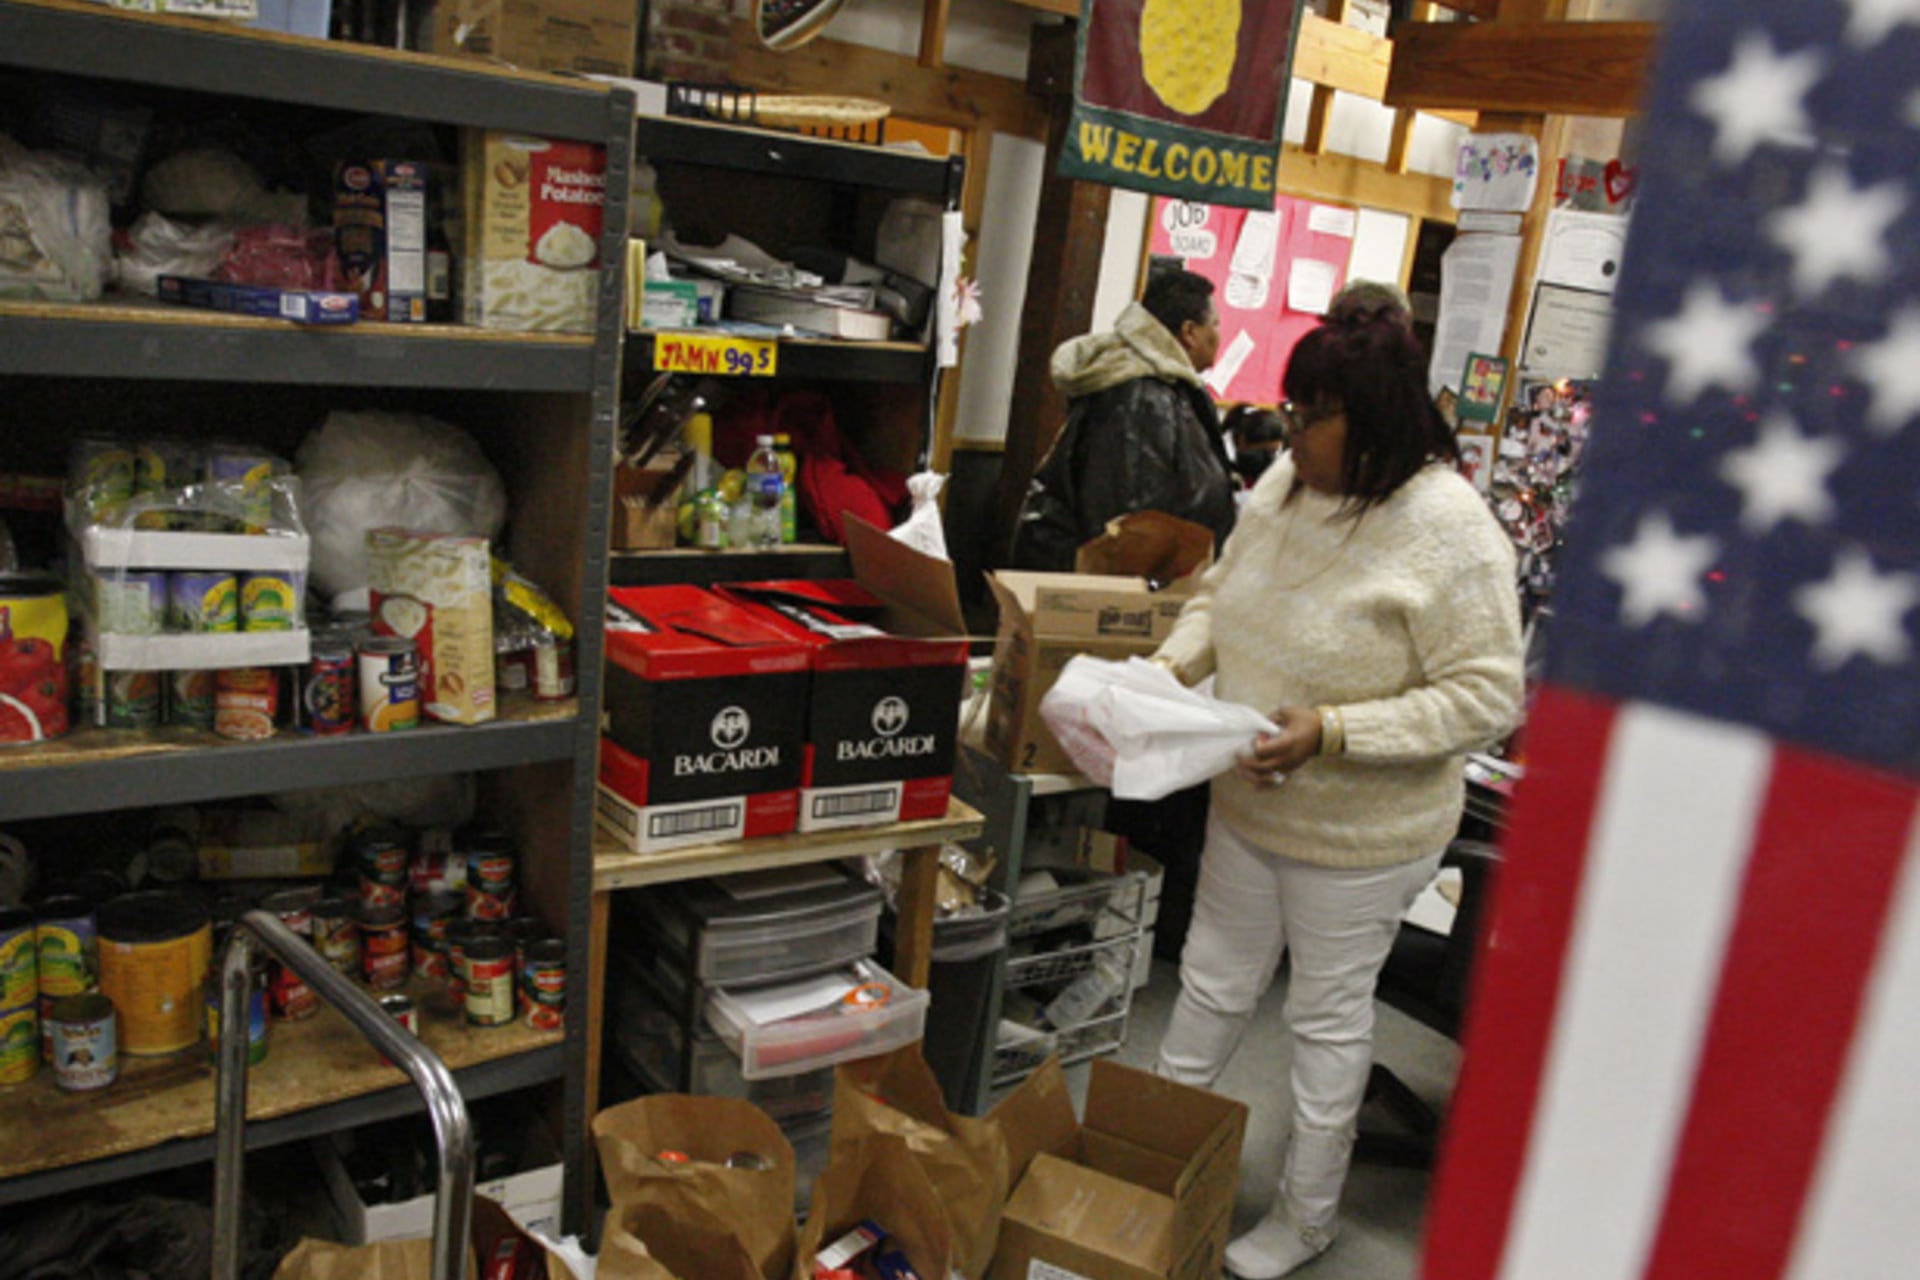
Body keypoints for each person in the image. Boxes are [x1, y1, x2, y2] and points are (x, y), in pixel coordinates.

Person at [1147, 309, 1524, 1279]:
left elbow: (1487, 696)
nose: (1291, 430)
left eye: (1313, 415)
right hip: (1249, 801)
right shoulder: (1286, 481)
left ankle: (1308, 1215)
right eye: (1290, 406)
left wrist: (1336, 729)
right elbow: (1218, 596)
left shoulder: (1452, 530)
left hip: (1360, 836)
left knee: (1324, 1019)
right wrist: (1169, 669)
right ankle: (1145, 1154)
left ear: (1378, 421)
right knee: (1211, 985)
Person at [1009, 267, 1238, 570]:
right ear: (1190, 332)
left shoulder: (1164, 389)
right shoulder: (1142, 398)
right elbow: (1129, 524)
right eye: (1216, 324)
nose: (1220, 335)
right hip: (1098, 593)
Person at [1223, 403, 1287, 490]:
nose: (1269, 458)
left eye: (1273, 451)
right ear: (1243, 441)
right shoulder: (1219, 464)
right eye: (1263, 451)